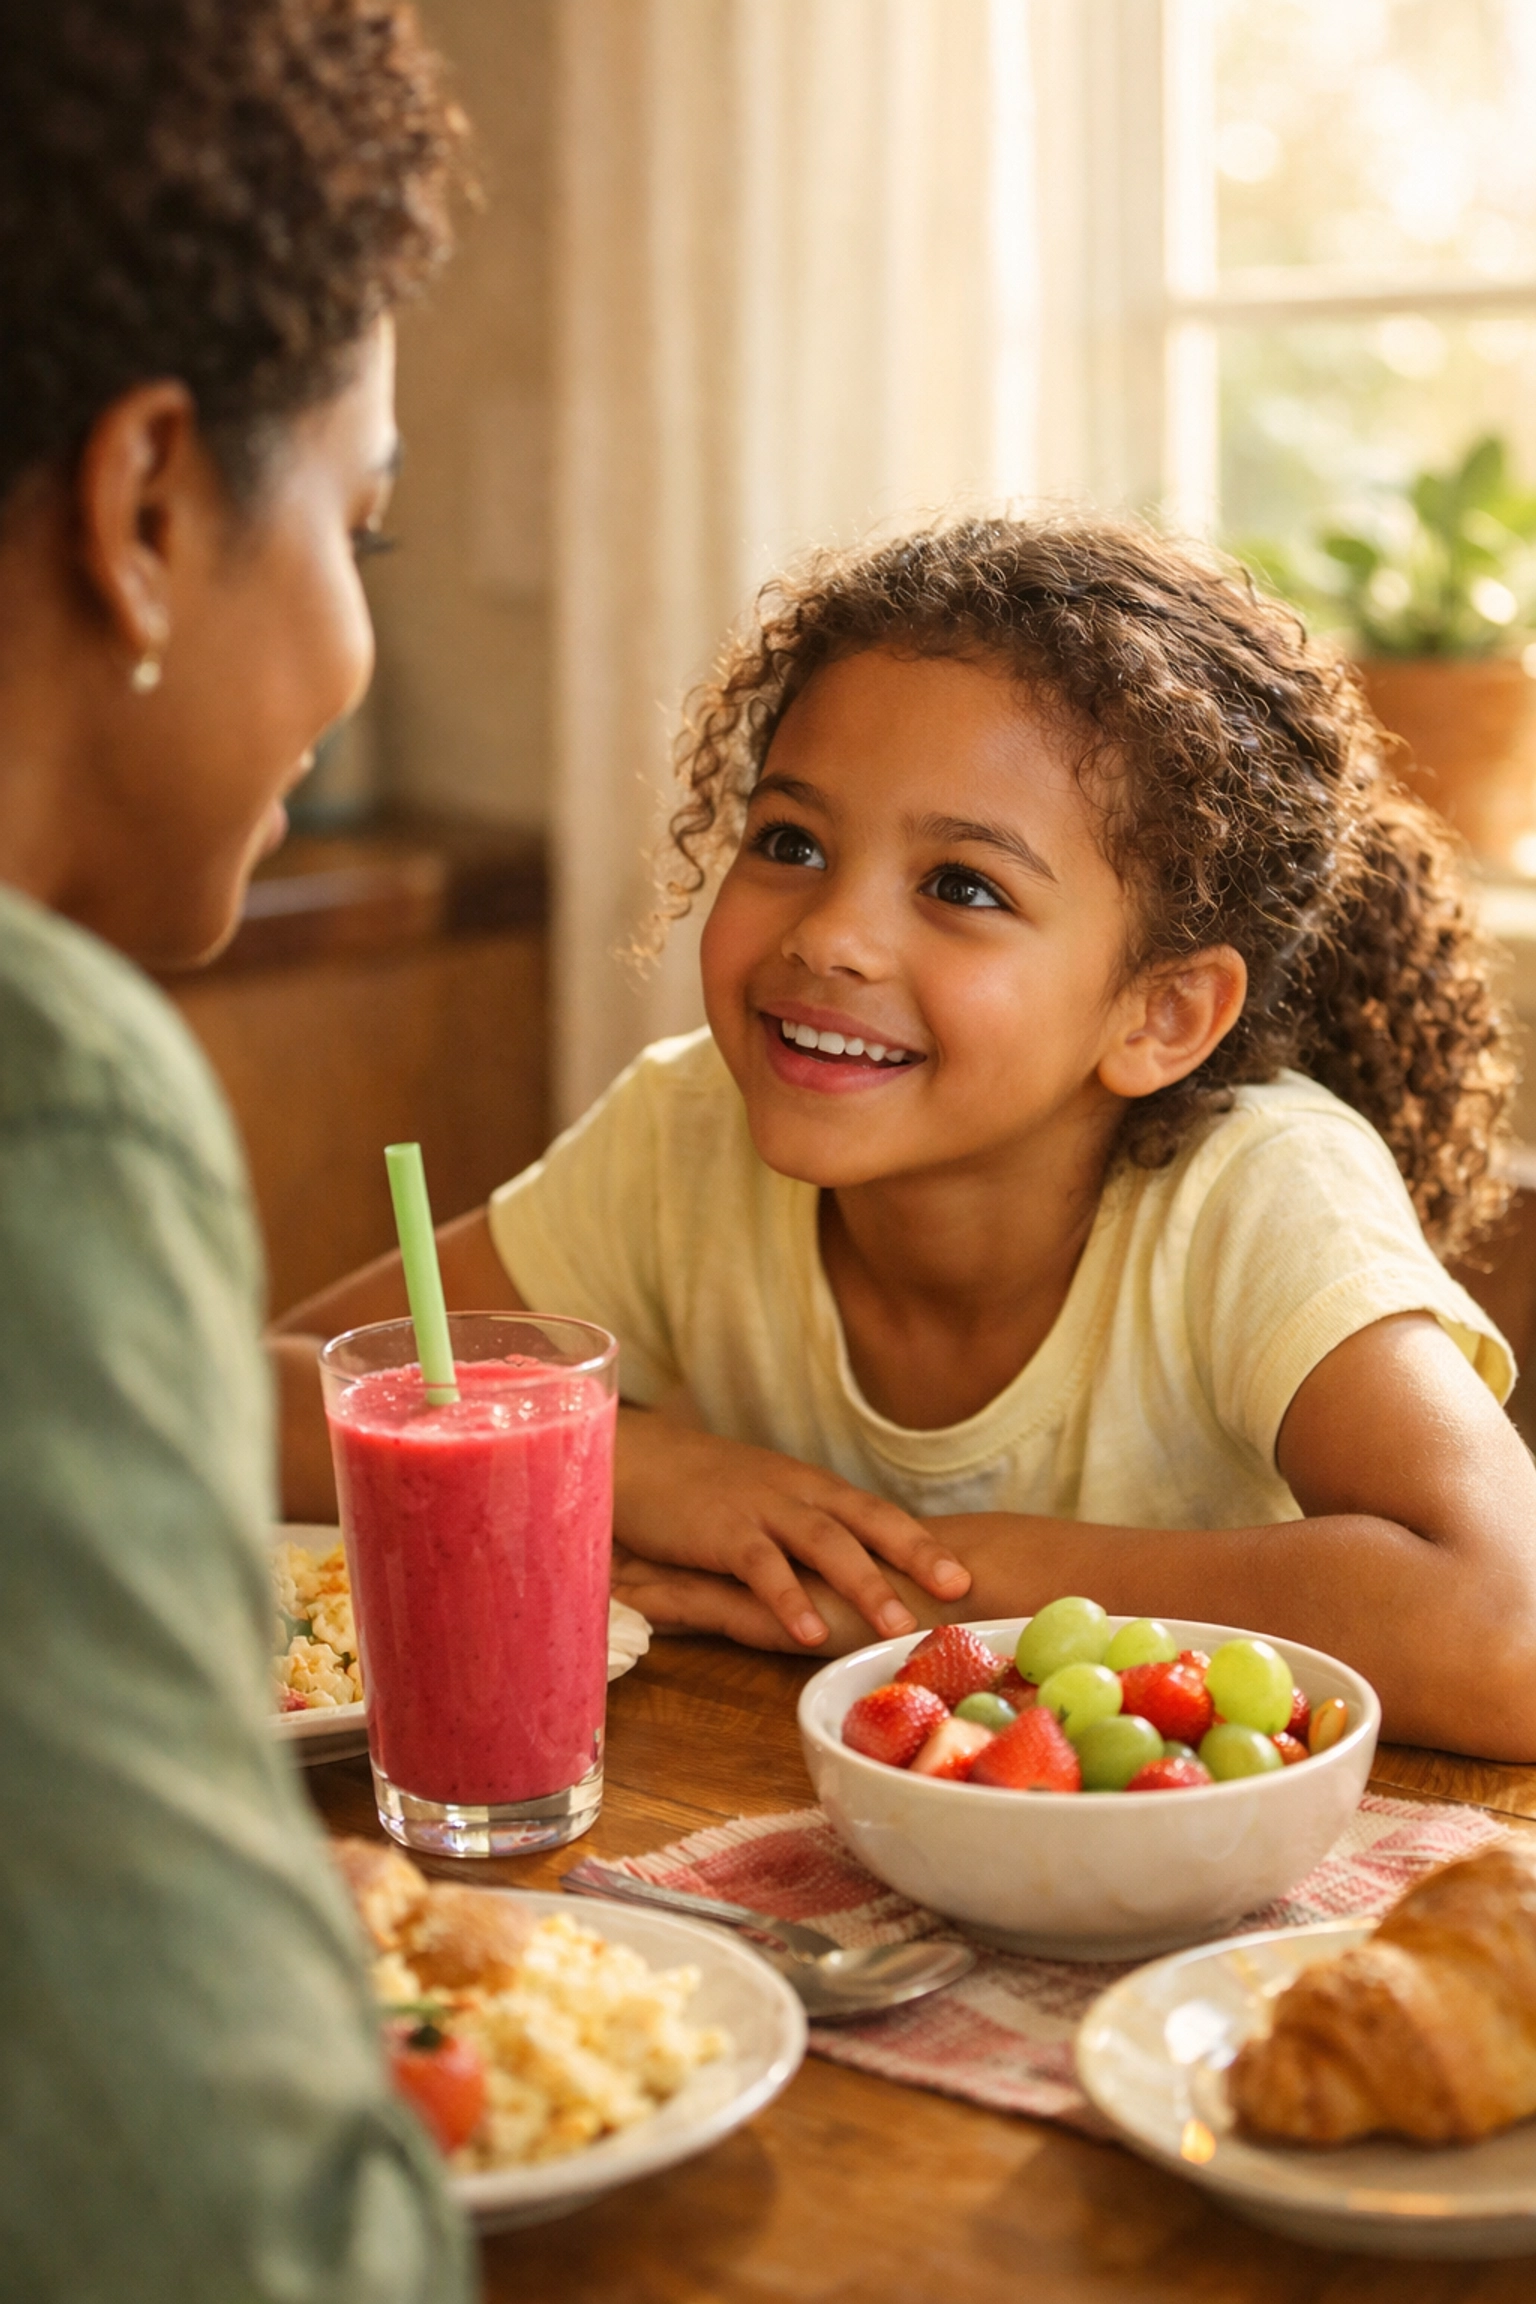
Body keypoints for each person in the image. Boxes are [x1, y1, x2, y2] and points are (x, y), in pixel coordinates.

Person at [276, 518, 1536, 1759]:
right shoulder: (681, 1139)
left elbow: (1508, 1632)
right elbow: (251, 1390)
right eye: (791, 842)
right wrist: (635, 1464)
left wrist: (956, 1591)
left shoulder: (1257, 1193)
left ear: (1161, 1013)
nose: (831, 935)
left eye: (964, 887)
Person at [0, 5, 474, 2296]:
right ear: (153, 505)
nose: (362, 640)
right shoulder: (49, 1094)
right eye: (360, 515)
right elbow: (238, 2242)